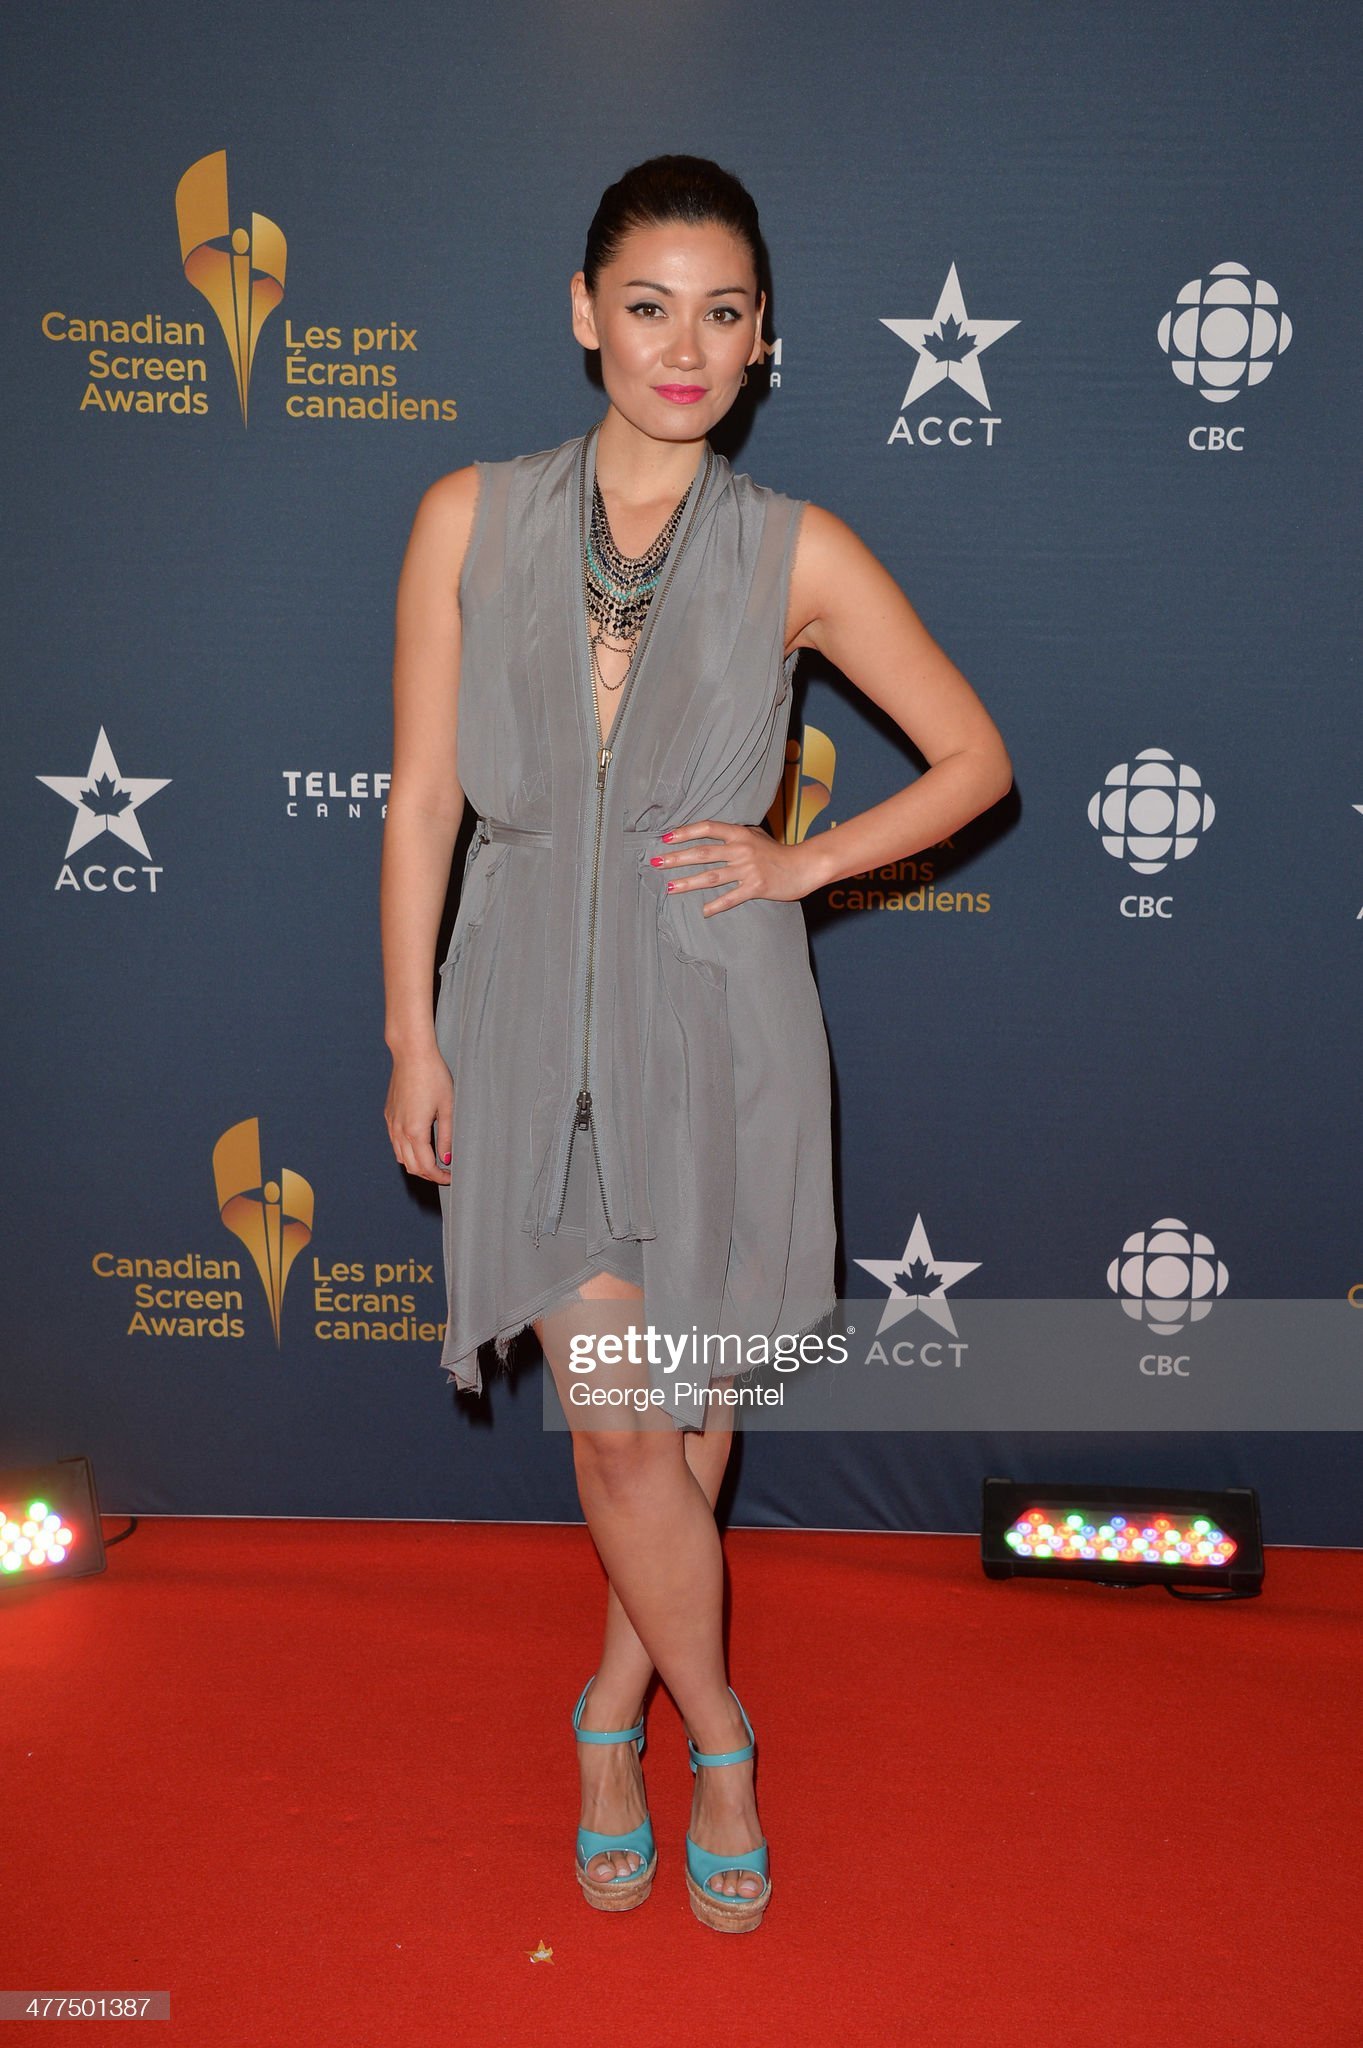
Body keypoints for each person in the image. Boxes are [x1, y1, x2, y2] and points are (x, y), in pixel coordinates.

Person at [380, 154, 1012, 1933]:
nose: (684, 345)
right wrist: (411, 1032)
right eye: (649, 306)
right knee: (618, 1433)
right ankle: (720, 1735)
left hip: (724, 1024)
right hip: (517, 1021)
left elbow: (975, 759)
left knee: (689, 1423)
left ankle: (608, 1715)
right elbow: (422, 799)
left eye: (721, 314)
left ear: (762, 340)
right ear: (584, 314)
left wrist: (803, 860)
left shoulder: (797, 549)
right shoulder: (466, 516)